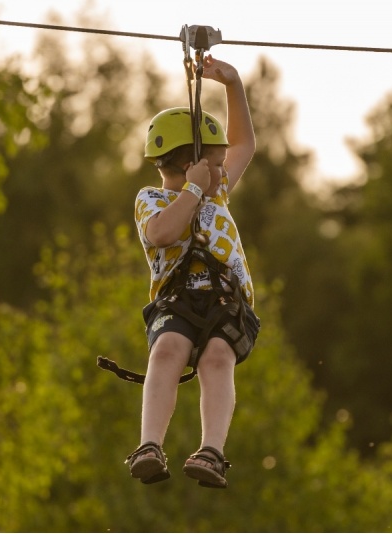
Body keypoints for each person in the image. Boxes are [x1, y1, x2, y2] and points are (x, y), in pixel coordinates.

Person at [126, 55, 260, 489]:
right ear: (191, 167)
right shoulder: (152, 199)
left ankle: (212, 451)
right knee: (166, 351)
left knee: (218, 359)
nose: (226, 171)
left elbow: (245, 147)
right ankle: (149, 445)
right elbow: (162, 234)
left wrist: (232, 84)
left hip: (225, 299)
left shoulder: (216, 191)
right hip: (177, 299)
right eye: (216, 164)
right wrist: (194, 190)